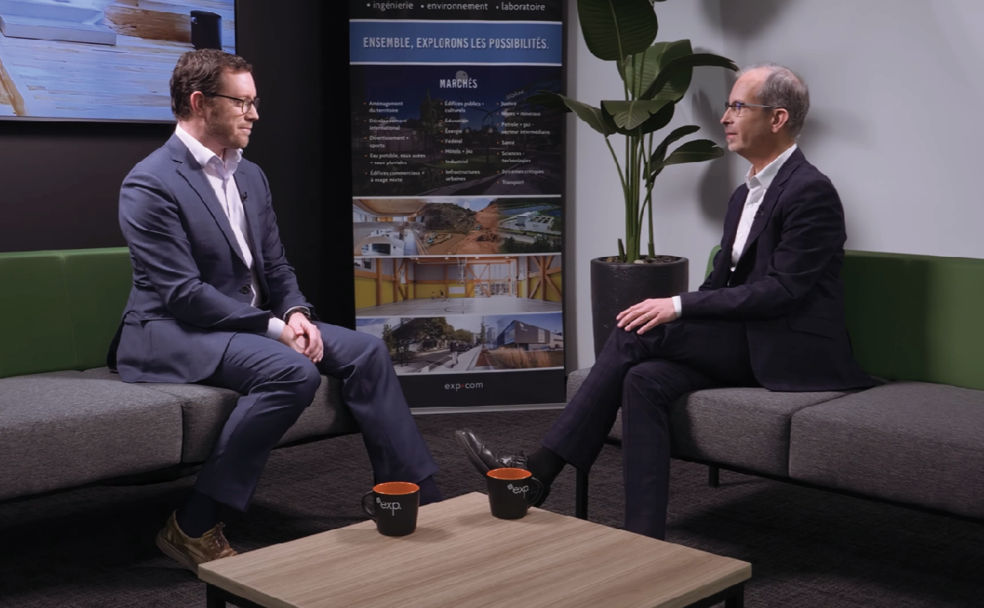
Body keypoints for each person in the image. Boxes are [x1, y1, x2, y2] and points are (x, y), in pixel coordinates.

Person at [456, 63, 880, 540]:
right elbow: (723, 285)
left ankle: (539, 469)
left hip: (789, 348)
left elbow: (785, 290)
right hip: (745, 340)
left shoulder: (810, 191)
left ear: (778, 118)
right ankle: (643, 538)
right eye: (728, 106)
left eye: (738, 106)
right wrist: (687, 305)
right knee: (643, 379)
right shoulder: (745, 195)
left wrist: (677, 306)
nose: (725, 117)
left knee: (640, 330)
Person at [108, 49, 442, 573]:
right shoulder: (150, 183)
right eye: (242, 102)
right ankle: (193, 524)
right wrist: (274, 327)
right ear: (200, 103)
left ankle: (414, 496)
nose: (255, 114)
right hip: (169, 330)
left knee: (368, 351)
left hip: (244, 323)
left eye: (254, 101)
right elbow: (181, 293)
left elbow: (275, 266)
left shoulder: (252, 176)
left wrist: (297, 311)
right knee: (290, 371)